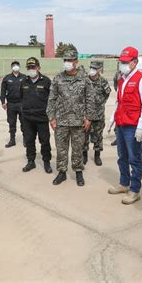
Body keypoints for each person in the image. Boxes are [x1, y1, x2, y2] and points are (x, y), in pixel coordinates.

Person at [108, 46, 142, 204]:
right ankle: (124, 183)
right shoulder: (121, 78)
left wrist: (141, 126)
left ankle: (134, 190)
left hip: (133, 125)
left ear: (135, 62)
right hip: (121, 123)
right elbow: (119, 100)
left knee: (134, 159)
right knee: (122, 157)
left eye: (126, 62)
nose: (123, 65)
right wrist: (113, 117)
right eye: (121, 62)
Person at [47, 50, 92, 186]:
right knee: (61, 149)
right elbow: (51, 99)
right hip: (61, 121)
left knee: (78, 149)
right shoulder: (58, 78)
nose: (67, 63)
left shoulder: (84, 79)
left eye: (70, 60)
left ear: (76, 61)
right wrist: (51, 118)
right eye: (65, 60)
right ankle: (62, 173)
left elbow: (90, 99)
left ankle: (78, 172)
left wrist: (88, 117)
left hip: (79, 121)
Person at [20, 57, 52, 173]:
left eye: (33, 67)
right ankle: (31, 161)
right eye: (29, 67)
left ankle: (46, 162)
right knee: (29, 140)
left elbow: (52, 99)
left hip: (42, 118)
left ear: (38, 68)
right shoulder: (23, 81)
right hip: (27, 118)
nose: (31, 69)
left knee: (44, 141)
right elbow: (21, 97)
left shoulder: (46, 81)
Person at [83, 60, 111, 166]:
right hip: (85, 115)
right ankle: (84, 155)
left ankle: (97, 156)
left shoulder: (103, 81)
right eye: (91, 68)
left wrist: (101, 103)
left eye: (94, 68)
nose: (92, 70)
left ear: (99, 70)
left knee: (98, 136)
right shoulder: (84, 80)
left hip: (98, 115)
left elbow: (107, 93)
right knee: (84, 136)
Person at [0, 61, 25, 148]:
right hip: (11, 104)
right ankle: (12, 140)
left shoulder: (24, 77)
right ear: (11, 67)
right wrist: (3, 102)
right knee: (11, 122)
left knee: (24, 122)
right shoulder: (7, 78)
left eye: (17, 65)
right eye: (14, 66)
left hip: (22, 103)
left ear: (19, 67)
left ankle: (25, 139)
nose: (16, 67)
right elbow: (3, 91)